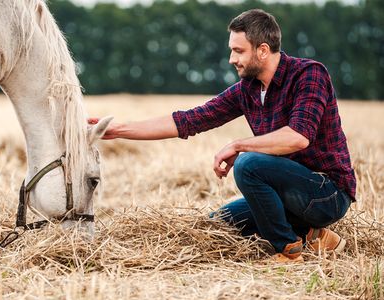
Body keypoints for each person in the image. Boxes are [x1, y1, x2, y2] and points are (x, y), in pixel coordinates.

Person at [89, 9, 356, 263]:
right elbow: (188, 120)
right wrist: (116, 130)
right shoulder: (247, 90)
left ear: (263, 50)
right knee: (219, 222)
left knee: (249, 164)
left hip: (326, 194)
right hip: (287, 194)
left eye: (238, 51)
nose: (231, 59)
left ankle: (288, 250)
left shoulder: (309, 74)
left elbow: (298, 137)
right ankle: (314, 236)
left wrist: (239, 145)